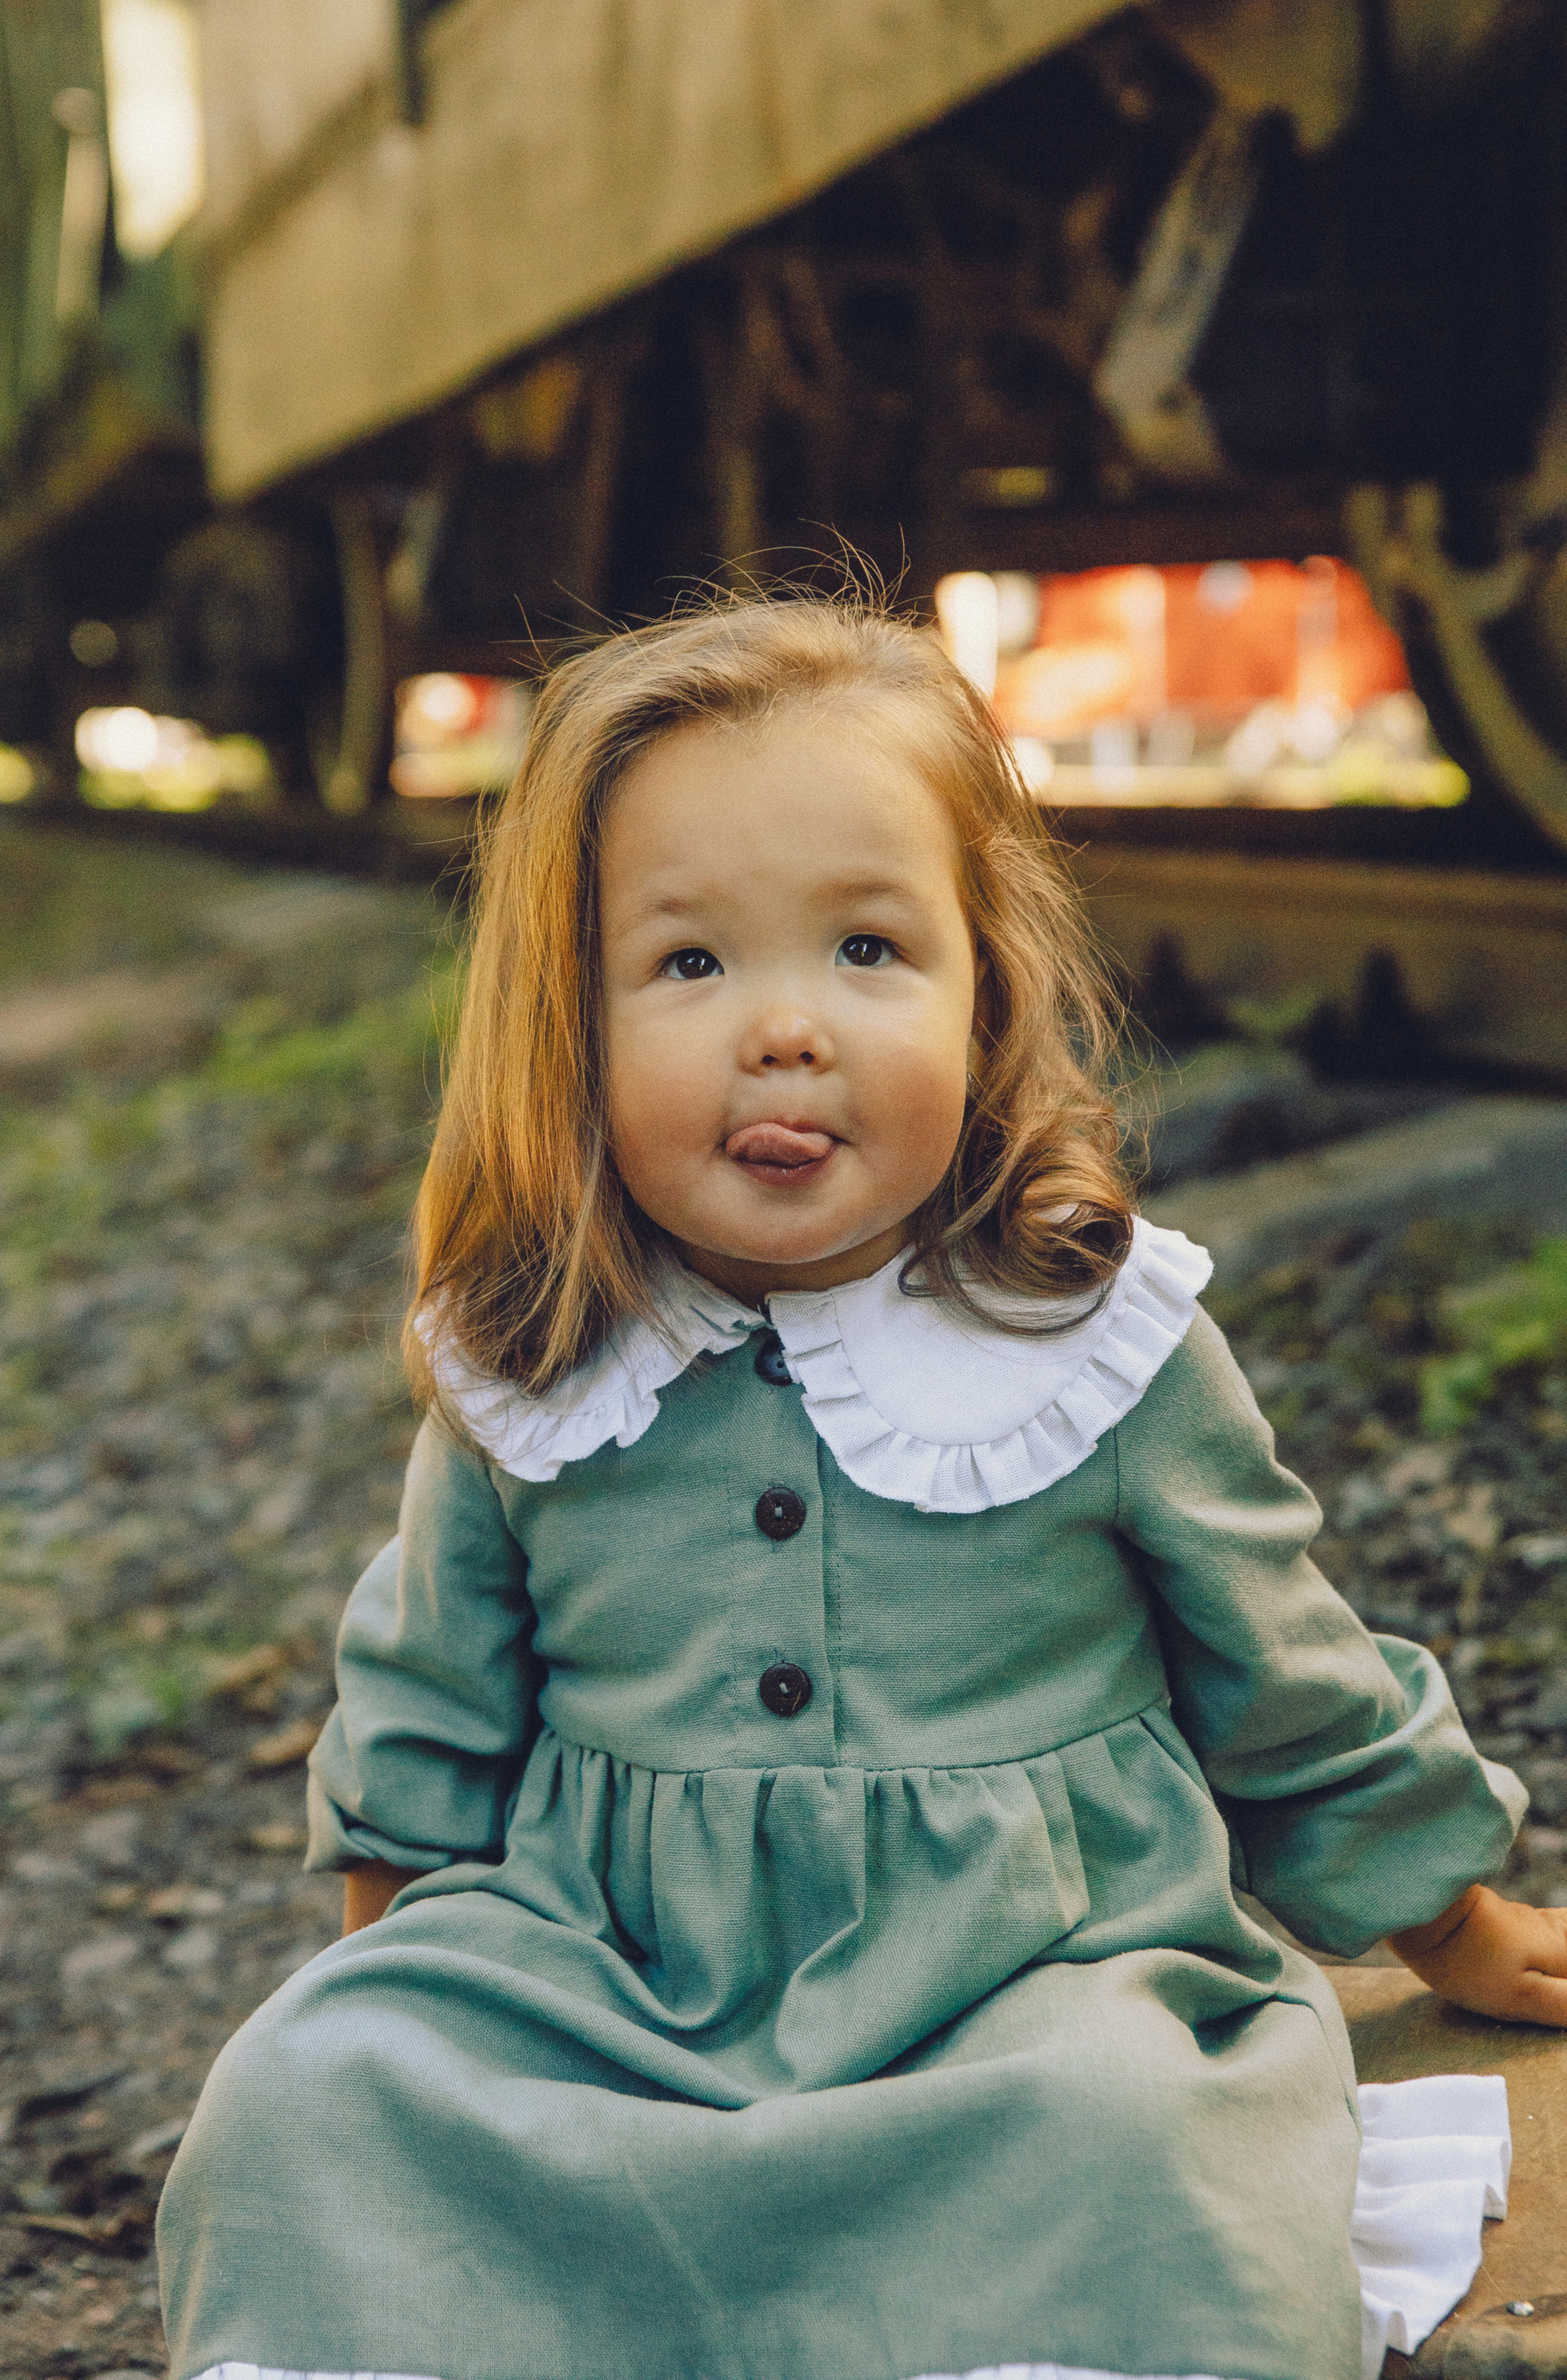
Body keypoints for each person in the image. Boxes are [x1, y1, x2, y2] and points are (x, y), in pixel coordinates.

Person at [158, 593, 1563, 2380]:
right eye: (687, 965)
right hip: (613, 1976)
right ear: (563, 1026)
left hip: (1033, 1978)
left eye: (868, 952)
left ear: (985, 994)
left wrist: (1447, 1917)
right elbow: (427, 1700)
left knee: (1137, 2137)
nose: (784, 1030)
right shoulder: (537, 1359)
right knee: (307, 2101)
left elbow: (1283, 1669)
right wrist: (392, 2003)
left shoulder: (1085, 1337)